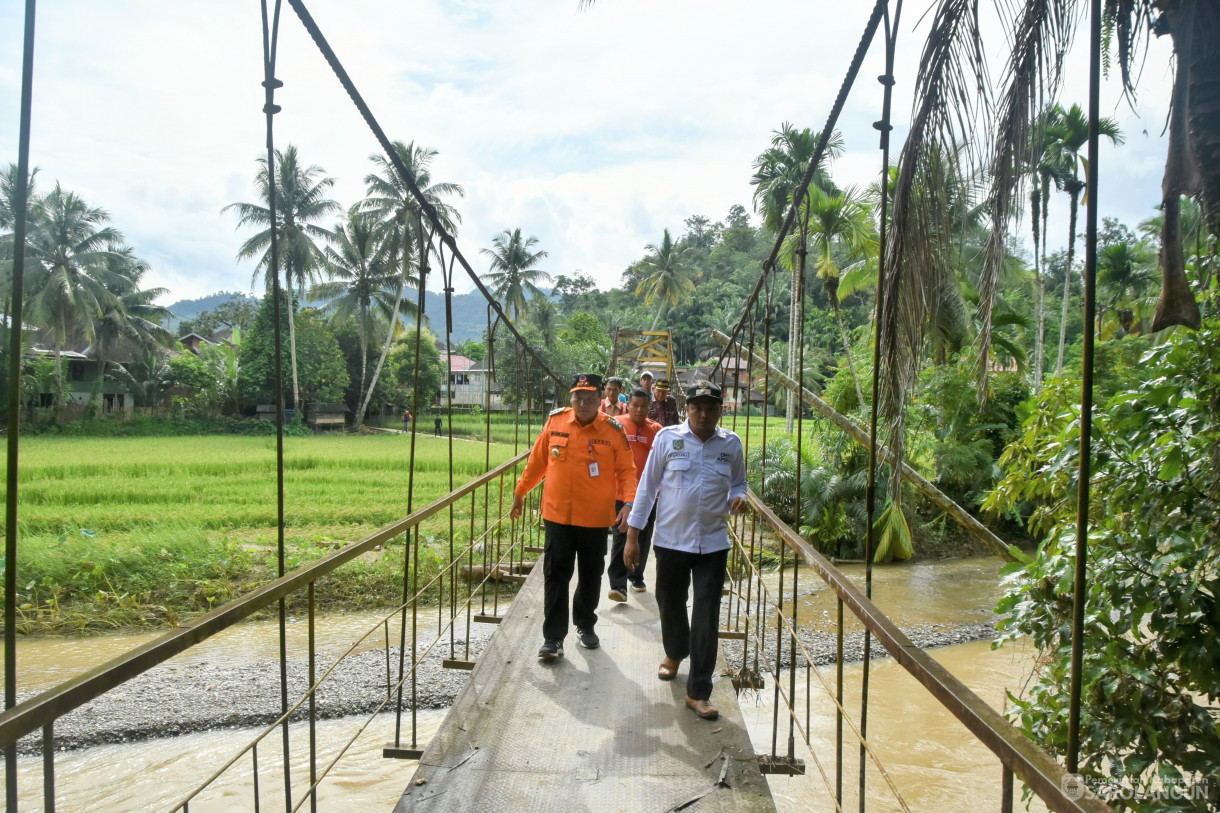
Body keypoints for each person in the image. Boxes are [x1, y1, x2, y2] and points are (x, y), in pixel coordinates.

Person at [624, 380, 747, 721]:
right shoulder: (667, 439)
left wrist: (741, 497)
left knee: (706, 617)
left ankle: (698, 692)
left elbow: (739, 481)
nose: (704, 414)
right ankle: (675, 652)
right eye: (697, 407)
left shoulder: (731, 444)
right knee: (669, 602)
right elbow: (647, 488)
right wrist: (633, 536)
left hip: (713, 544)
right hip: (670, 541)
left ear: (720, 410)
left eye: (711, 408)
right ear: (687, 409)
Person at [510, 373, 637, 662]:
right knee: (556, 574)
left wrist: (629, 503)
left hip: (594, 519)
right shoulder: (555, 422)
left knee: (591, 574)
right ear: (571, 397)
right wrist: (521, 491)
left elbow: (627, 471)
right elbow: (538, 461)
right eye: (578, 396)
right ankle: (553, 638)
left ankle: (585, 624)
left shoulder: (613, 430)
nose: (583, 402)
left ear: (599, 399)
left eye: (590, 397)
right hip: (557, 516)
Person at [606, 389, 662, 601]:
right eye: (635, 405)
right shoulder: (614, 424)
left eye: (644, 406)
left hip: (649, 494)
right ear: (627, 405)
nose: (639, 409)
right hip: (620, 492)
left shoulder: (656, 430)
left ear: (650, 408)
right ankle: (618, 584)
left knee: (644, 535)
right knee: (621, 535)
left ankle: (636, 575)